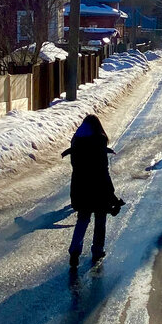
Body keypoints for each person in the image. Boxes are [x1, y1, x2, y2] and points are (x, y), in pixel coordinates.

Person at [61, 114, 121, 269]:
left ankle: (75, 251)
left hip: (81, 189)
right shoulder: (99, 141)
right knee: (100, 220)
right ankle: (97, 251)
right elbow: (103, 170)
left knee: (82, 220)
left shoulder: (76, 142)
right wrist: (111, 194)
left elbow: (77, 165)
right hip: (98, 188)